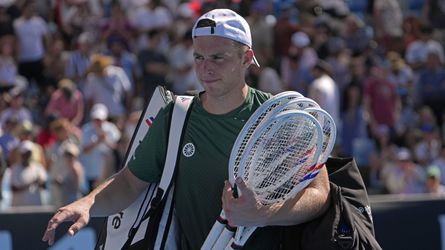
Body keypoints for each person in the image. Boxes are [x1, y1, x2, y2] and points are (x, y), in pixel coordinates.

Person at [42, 9, 330, 249]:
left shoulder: (279, 116)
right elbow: (130, 182)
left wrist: (263, 214)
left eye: (218, 57)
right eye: (198, 58)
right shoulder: (176, 114)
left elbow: (319, 193)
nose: (206, 68)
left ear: (246, 58)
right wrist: (88, 204)